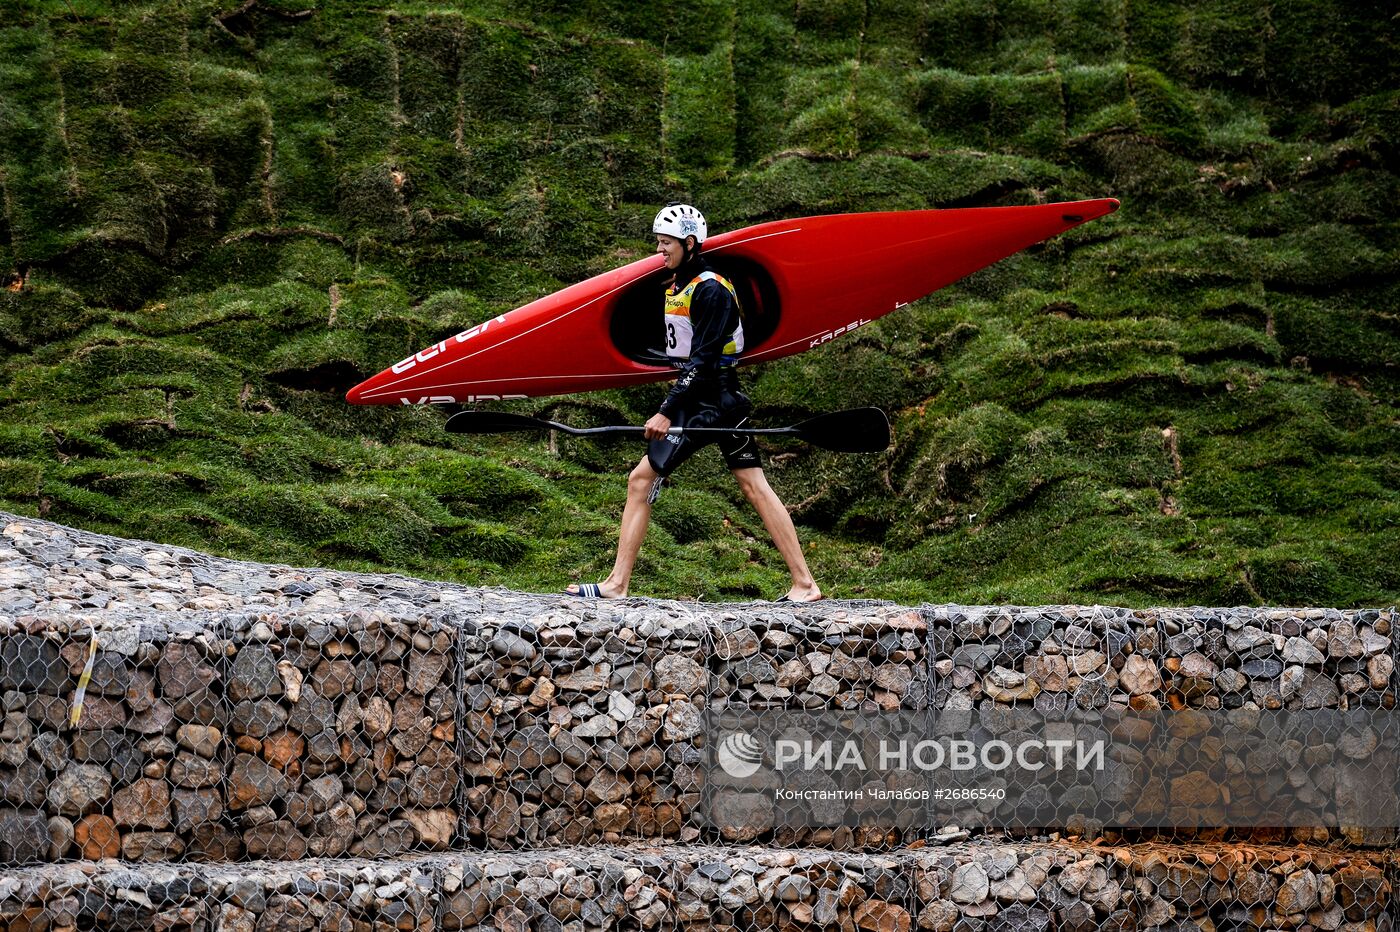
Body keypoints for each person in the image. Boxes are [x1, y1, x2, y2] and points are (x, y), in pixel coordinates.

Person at [567, 204, 822, 603]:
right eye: (658, 243)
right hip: (715, 399)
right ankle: (804, 584)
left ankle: (617, 585)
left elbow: (703, 361)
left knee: (641, 479)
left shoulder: (712, 289)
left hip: (711, 401)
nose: (659, 251)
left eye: (666, 243)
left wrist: (667, 411)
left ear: (689, 243)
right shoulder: (678, 286)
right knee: (753, 484)